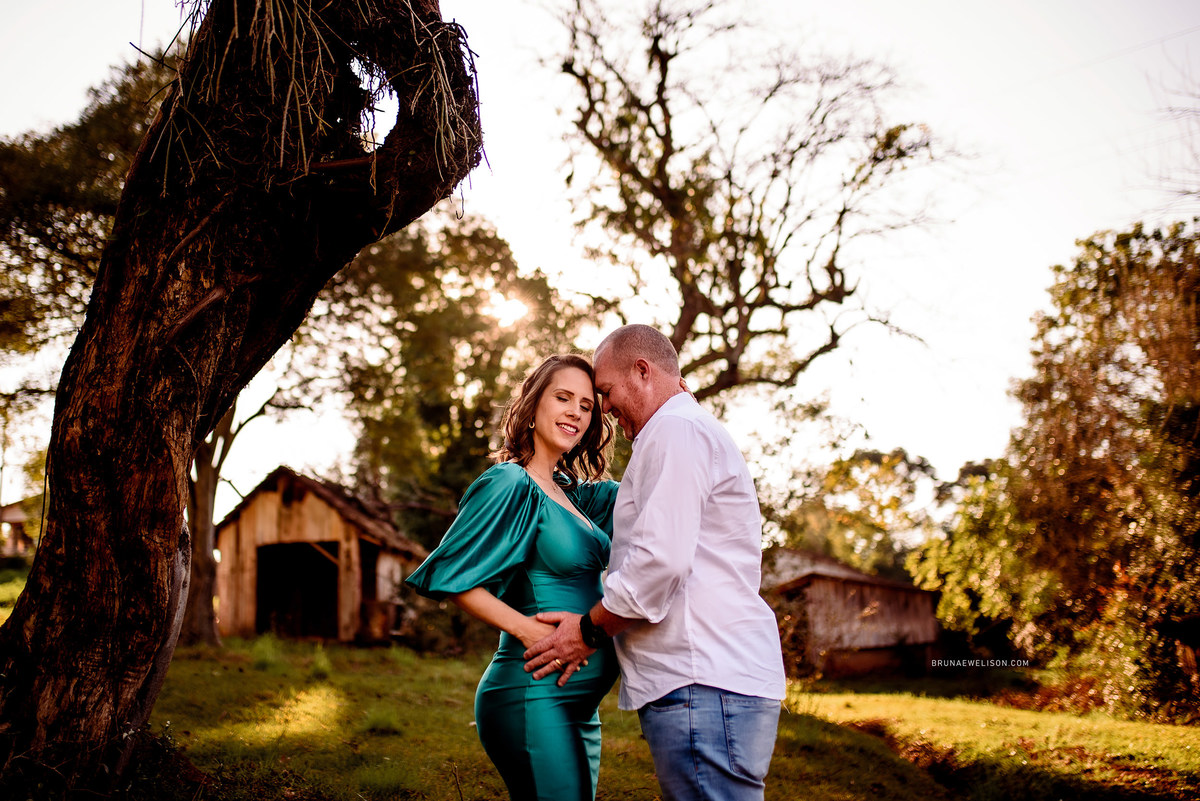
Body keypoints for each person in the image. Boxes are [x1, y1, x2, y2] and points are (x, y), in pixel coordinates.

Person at [524, 324, 787, 801]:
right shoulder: (682, 429)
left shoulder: (676, 429)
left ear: (642, 371)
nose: (602, 409)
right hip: (706, 683)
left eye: (604, 392)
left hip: (703, 683)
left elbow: (658, 563)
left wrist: (586, 631)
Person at [404, 354, 620, 801]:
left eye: (586, 405)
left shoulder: (578, 497)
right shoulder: (509, 483)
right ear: (533, 404)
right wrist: (532, 632)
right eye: (563, 398)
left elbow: (653, 486)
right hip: (533, 692)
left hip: (580, 706)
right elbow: (453, 577)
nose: (576, 412)